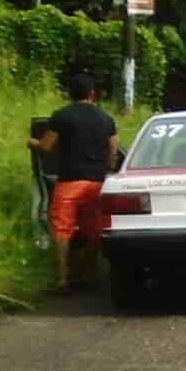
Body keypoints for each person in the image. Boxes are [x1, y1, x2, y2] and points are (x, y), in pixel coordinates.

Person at [26, 72, 119, 292]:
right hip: (96, 183)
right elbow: (113, 151)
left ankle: (63, 279)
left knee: (62, 229)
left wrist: (32, 143)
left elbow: (47, 147)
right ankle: (89, 274)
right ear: (92, 94)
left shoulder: (61, 116)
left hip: (68, 182)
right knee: (94, 230)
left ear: (70, 94)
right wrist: (106, 168)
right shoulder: (106, 119)